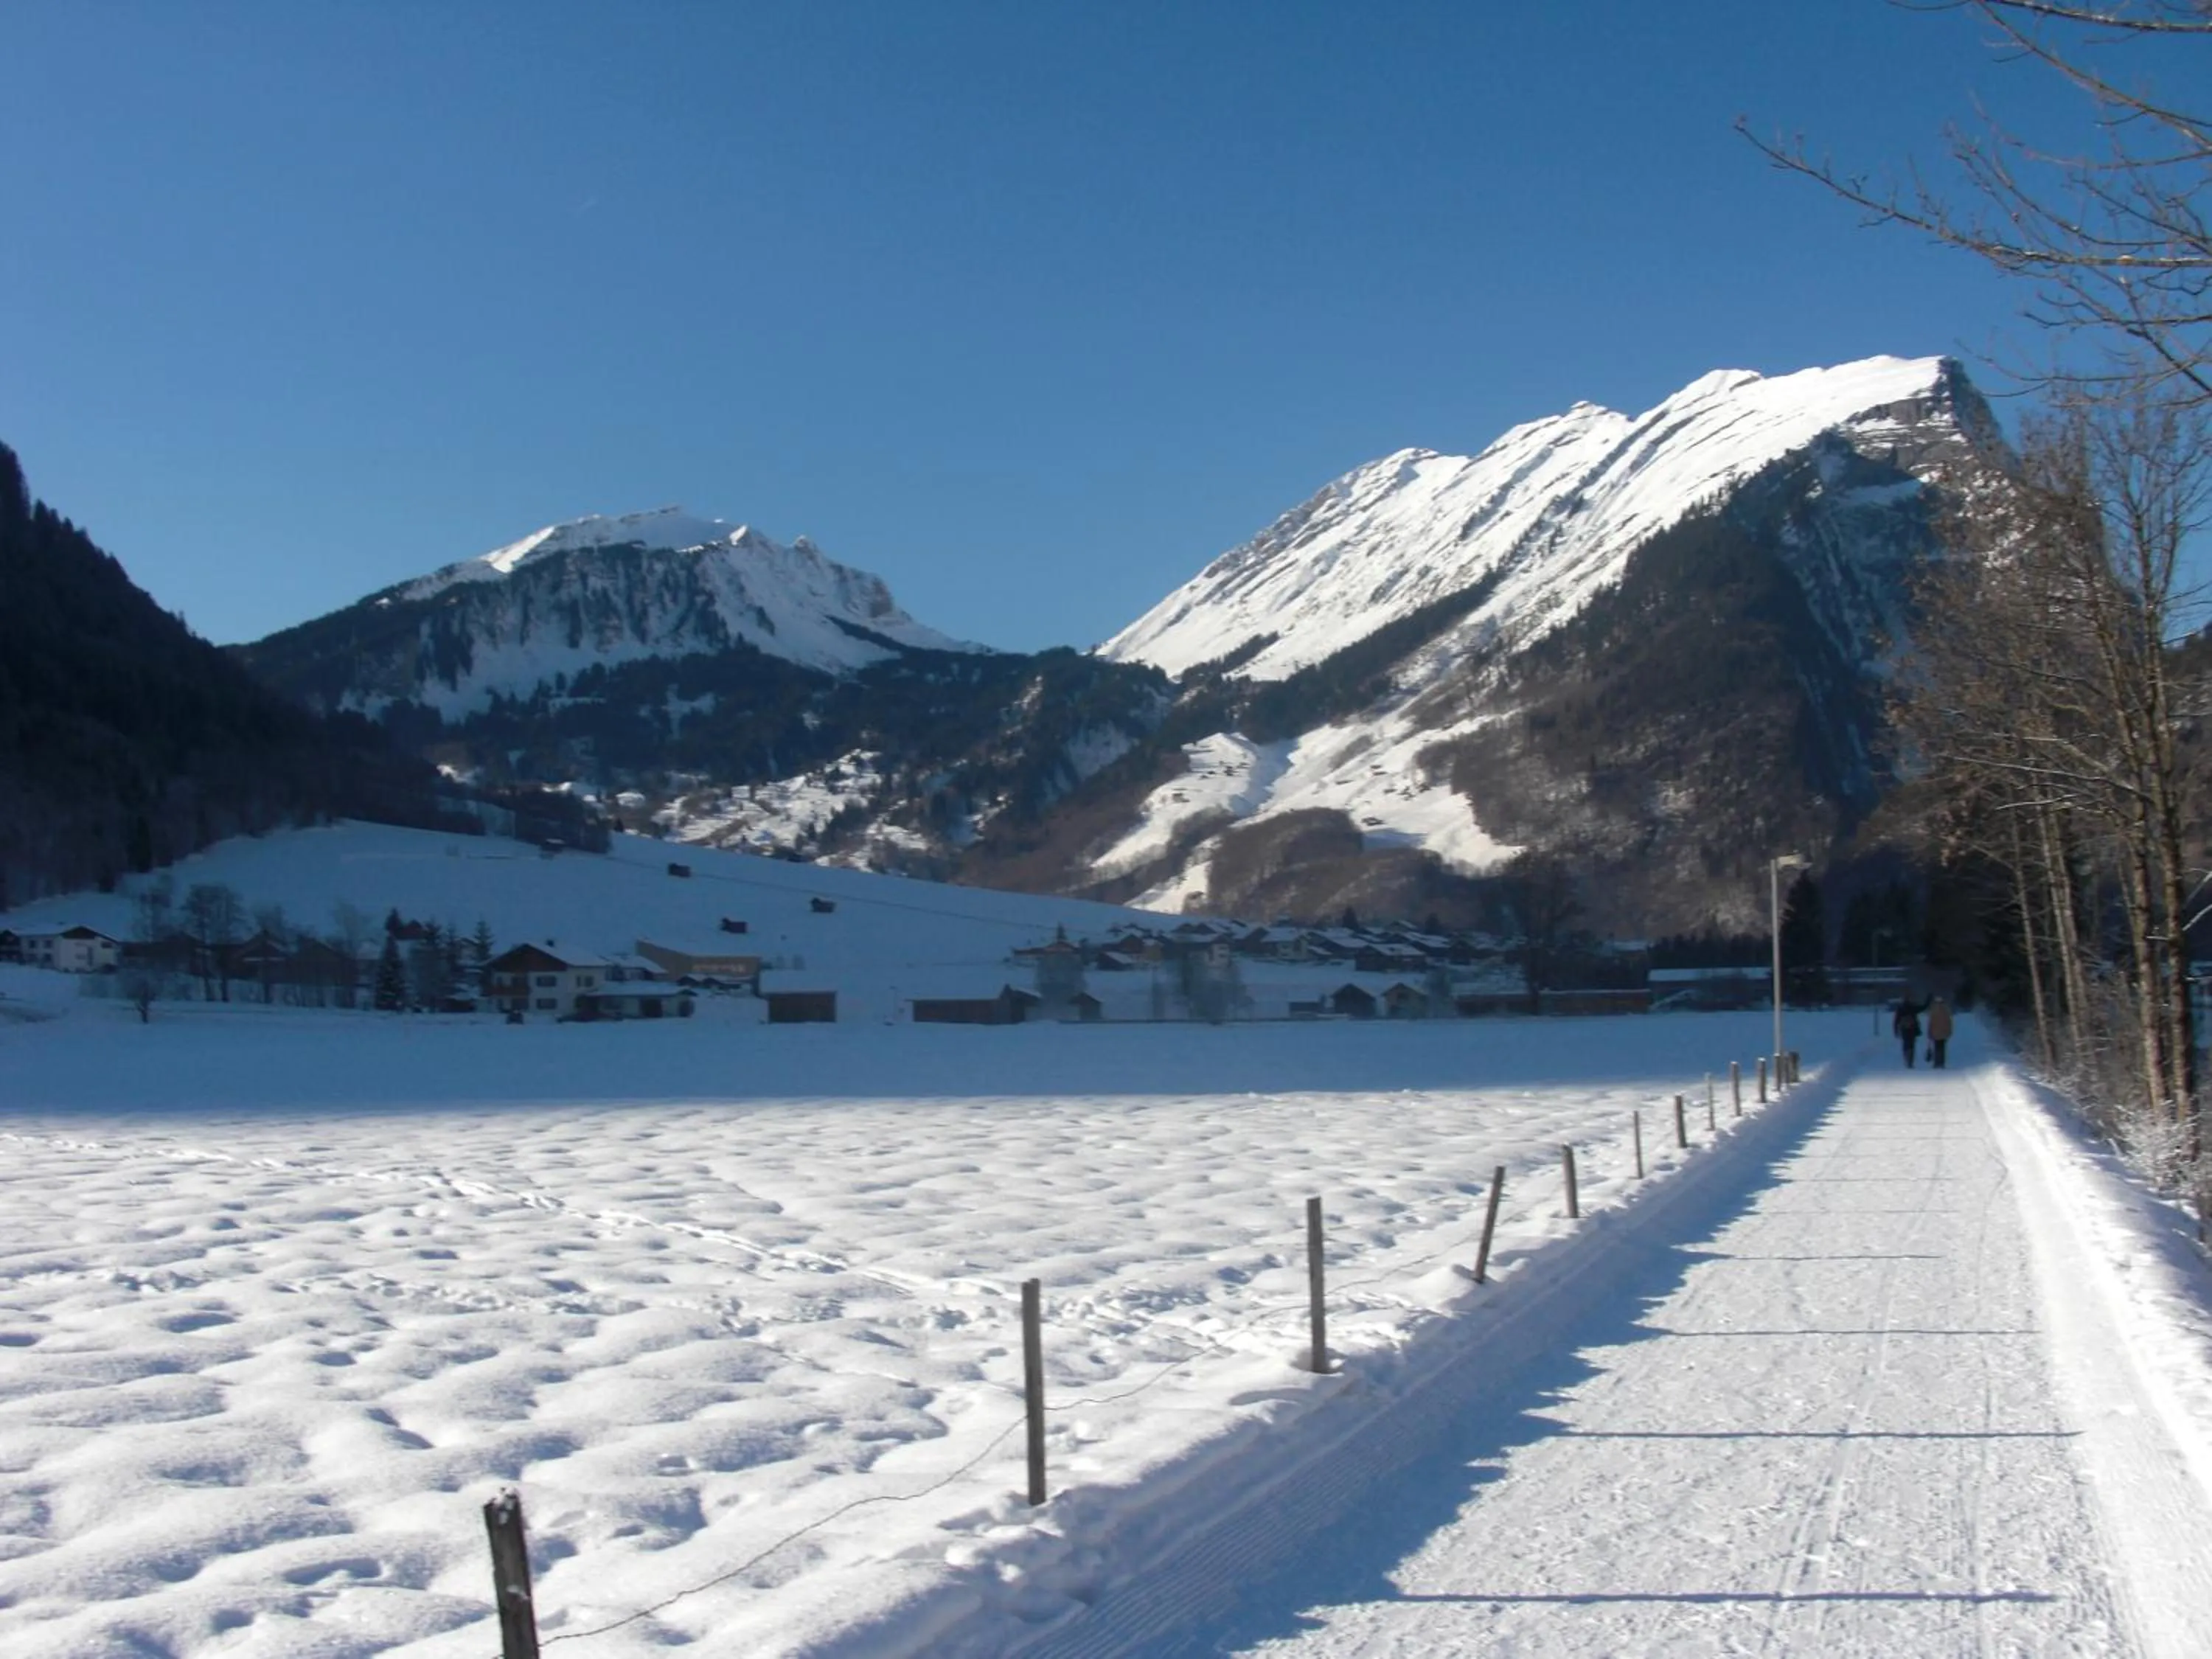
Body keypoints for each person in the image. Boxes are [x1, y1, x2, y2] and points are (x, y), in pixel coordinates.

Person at [1892, 996, 1925, 1068]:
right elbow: (1923, 1008)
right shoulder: (1913, 1007)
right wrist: (1928, 1001)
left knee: (1906, 1044)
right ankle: (1911, 1061)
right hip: (1912, 1028)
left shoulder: (1900, 1008)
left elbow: (1896, 1021)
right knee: (1912, 1045)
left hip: (1904, 1029)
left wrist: (1896, 1030)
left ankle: (1906, 1058)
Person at [1927, 995, 1954, 1069]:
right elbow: (1949, 1022)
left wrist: (1929, 1032)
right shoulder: (1946, 1010)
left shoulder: (1933, 1010)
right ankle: (1942, 1062)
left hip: (1935, 1032)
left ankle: (1937, 1062)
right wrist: (1949, 1031)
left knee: (1936, 1047)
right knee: (1942, 1047)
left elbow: (1931, 1022)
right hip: (1944, 1032)